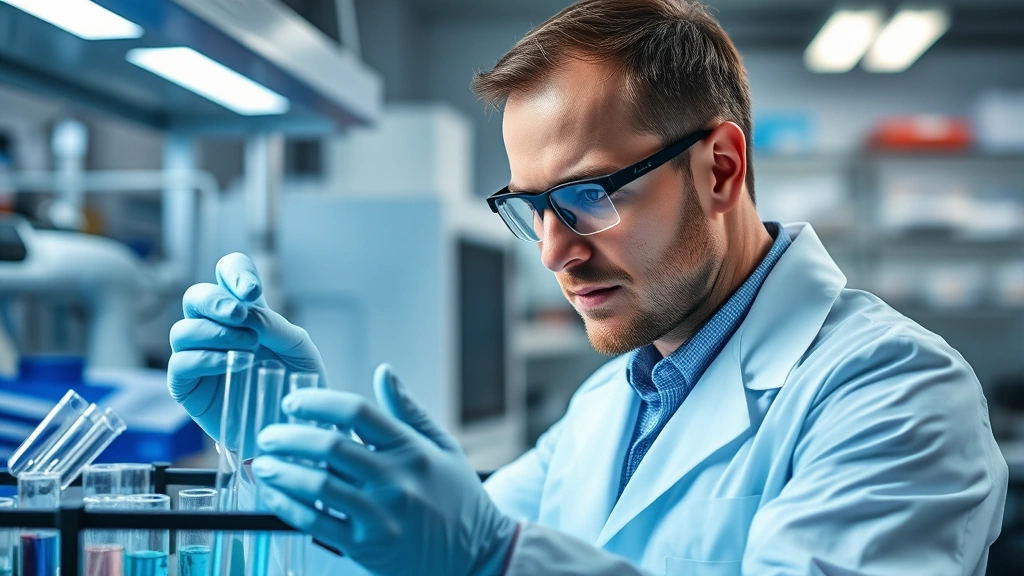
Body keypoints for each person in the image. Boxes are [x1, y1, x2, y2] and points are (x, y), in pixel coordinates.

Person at [168, 1, 1008, 574]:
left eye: (584, 197)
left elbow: (481, 553)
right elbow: (411, 560)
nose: (552, 252)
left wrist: (497, 561)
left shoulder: (896, 393)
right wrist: (282, 446)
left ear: (719, 169)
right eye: (529, 207)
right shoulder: (609, 406)